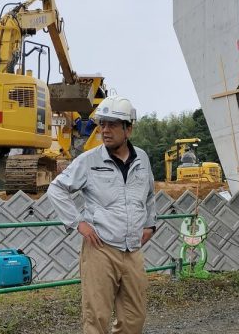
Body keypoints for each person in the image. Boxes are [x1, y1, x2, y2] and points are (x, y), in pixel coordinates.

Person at [47, 96, 157, 334]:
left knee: (134, 317)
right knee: (97, 317)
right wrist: (78, 223)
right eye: (102, 124)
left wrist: (150, 225)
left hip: (132, 249)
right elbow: (56, 189)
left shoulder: (143, 159)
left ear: (128, 129)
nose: (105, 130)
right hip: (100, 249)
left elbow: (149, 194)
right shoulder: (89, 160)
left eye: (113, 124)